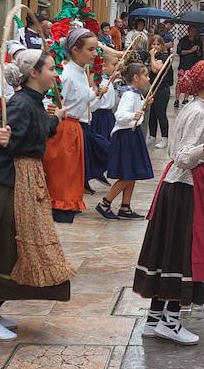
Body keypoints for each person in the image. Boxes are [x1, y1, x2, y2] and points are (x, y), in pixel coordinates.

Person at [0, 48, 75, 341]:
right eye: (51, 69)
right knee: (10, 248)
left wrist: (56, 120)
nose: (56, 74)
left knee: (18, 248)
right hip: (9, 186)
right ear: (34, 74)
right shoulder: (21, 104)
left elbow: (35, 134)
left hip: (26, 182)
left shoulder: (35, 103)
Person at [133, 60, 204, 345]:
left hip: (176, 185)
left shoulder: (194, 107)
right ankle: (171, 321)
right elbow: (184, 156)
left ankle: (154, 318)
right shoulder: (199, 113)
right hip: (185, 187)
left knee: (168, 250)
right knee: (181, 251)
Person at [44, 27, 98, 223]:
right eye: (91, 49)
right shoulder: (65, 74)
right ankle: (58, 206)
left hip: (74, 128)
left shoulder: (81, 72)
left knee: (72, 173)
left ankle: (67, 205)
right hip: (62, 128)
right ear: (75, 50)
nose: (95, 53)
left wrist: (96, 93)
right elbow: (51, 103)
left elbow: (81, 100)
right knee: (61, 174)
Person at [94, 62, 154, 220]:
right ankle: (105, 203)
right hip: (126, 136)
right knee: (127, 174)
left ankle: (125, 207)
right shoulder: (129, 94)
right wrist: (132, 116)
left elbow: (135, 110)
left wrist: (143, 105)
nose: (148, 79)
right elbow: (120, 115)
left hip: (132, 134)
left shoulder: (135, 94)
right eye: (145, 75)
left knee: (132, 172)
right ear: (135, 78)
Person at [83, 55, 118, 195]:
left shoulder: (110, 80)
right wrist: (99, 94)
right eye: (114, 64)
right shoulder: (97, 82)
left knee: (110, 147)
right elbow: (91, 104)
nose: (116, 67)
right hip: (99, 117)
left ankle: (98, 171)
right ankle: (90, 175)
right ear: (104, 66)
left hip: (109, 116)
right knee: (100, 147)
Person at [175, 26, 204, 107]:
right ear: (188, 31)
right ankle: (177, 99)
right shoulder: (183, 40)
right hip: (184, 64)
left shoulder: (198, 41)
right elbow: (179, 52)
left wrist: (198, 50)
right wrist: (190, 50)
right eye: (191, 30)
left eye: (194, 30)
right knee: (180, 81)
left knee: (189, 82)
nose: (193, 32)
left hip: (193, 65)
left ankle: (185, 99)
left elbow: (200, 54)